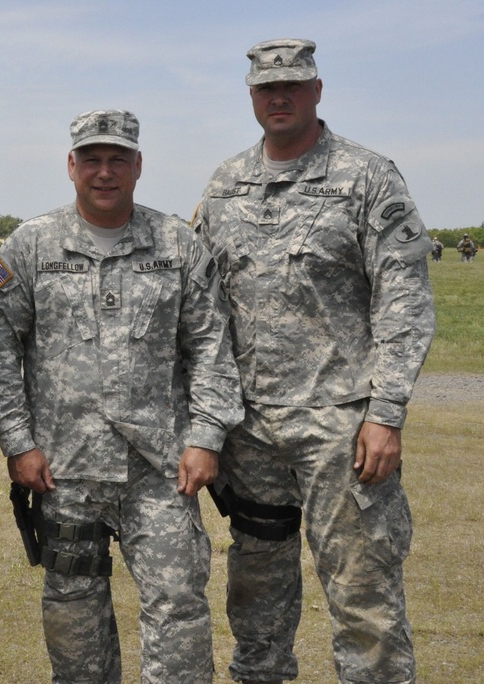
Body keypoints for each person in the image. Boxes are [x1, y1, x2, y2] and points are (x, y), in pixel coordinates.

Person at [192, 39, 436, 684]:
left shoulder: (367, 176)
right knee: (256, 594)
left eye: (293, 86)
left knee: (364, 594)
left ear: (317, 91)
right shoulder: (225, 184)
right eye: (267, 89)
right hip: (252, 432)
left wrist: (385, 413)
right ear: (251, 97)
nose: (280, 97)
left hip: (344, 428)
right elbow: (201, 309)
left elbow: (404, 300)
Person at [0, 110, 243, 683]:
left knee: (178, 612)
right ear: (71, 166)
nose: (104, 172)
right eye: (92, 159)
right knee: (74, 626)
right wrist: (18, 443)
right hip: (63, 472)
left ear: (138, 166)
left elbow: (211, 349)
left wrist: (206, 437)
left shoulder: (177, 244)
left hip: (162, 469)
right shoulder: (31, 246)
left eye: (117, 159)